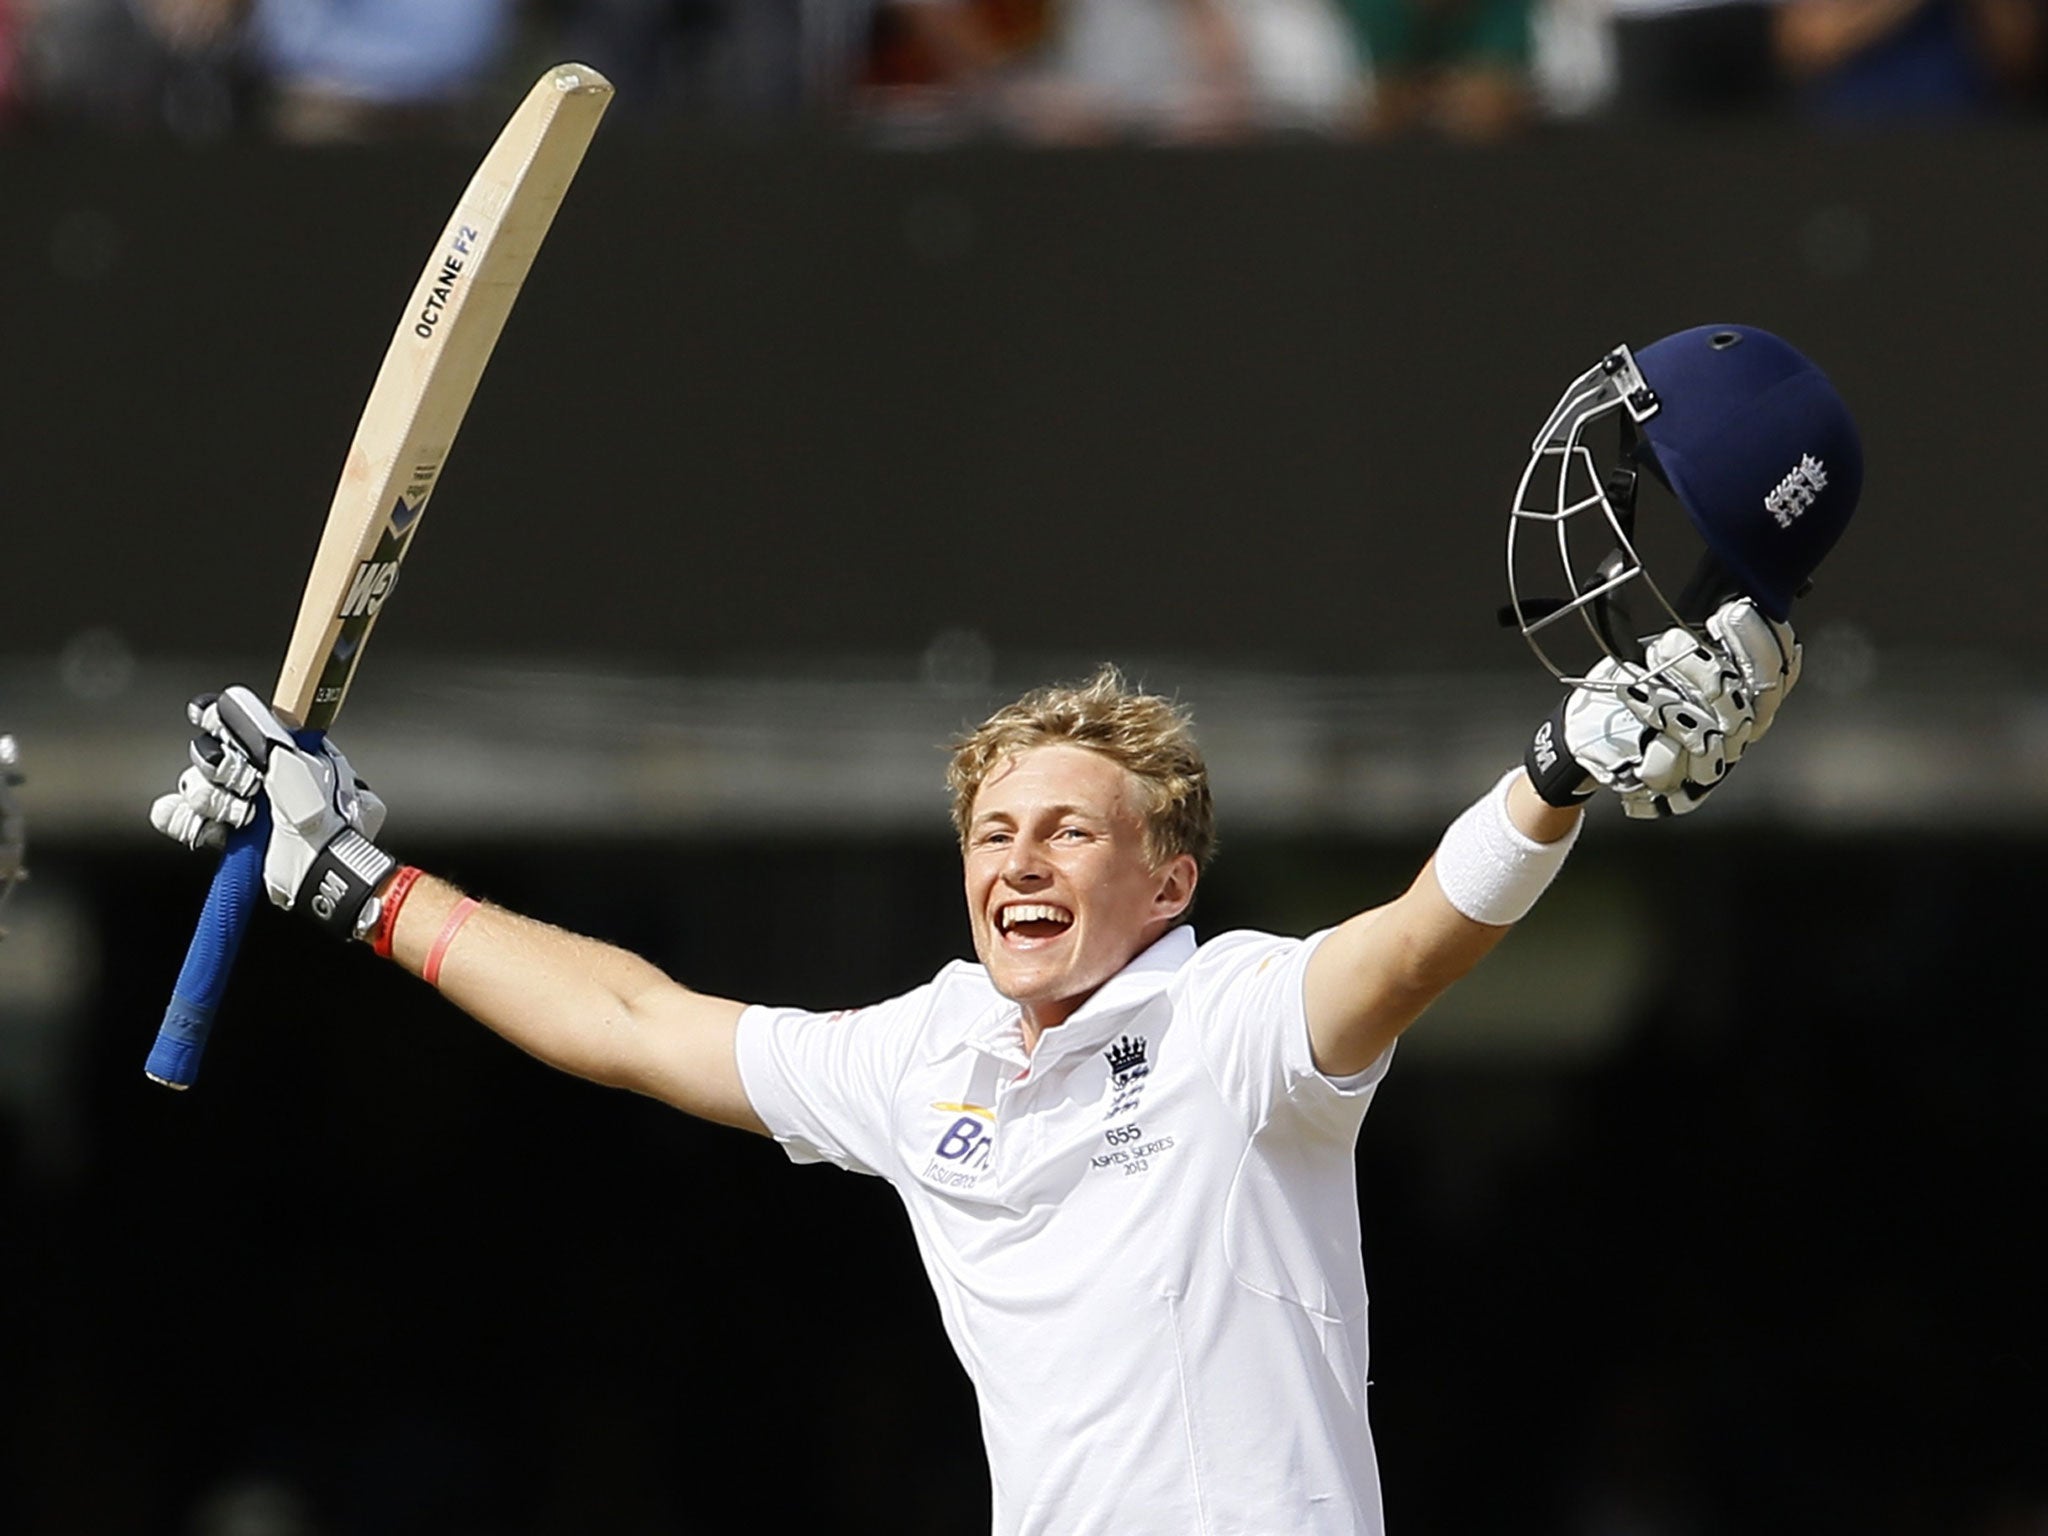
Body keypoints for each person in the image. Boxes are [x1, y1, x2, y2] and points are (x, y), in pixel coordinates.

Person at [149, 324, 1859, 1535]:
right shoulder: (932, 1053)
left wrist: (1553, 776)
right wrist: (356, 891)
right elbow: (637, 1021)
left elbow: (1415, 939)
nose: (1018, 862)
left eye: (1067, 832)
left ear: (1168, 884)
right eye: (992, 832)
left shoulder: (1236, 1027)